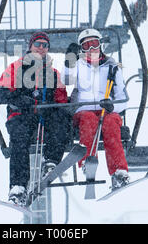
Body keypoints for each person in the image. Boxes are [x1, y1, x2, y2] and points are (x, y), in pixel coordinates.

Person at [0, 31, 71, 206]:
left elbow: (61, 100)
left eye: (45, 45)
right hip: (22, 115)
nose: (41, 48)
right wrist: (19, 98)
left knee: (61, 120)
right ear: (30, 46)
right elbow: (0, 95)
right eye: (38, 44)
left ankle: (51, 161)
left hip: (45, 116)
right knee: (19, 139)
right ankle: (18, 187)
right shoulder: (16, 68)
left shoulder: (52, 73)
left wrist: (58, 106)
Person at [62, 28, 129, 190]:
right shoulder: (78, 65)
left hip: (106, 110)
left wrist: (113, 106)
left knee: (112, 122)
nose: (91, 49)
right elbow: (67, 80)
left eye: (95, 44)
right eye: (86, 46)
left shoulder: (113, 67)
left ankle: (119, 171)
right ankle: (87, 161)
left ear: (101, 45)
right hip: (82, 110)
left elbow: (123, 97)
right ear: (81, 49)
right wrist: (70, 60)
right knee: (88, 118)